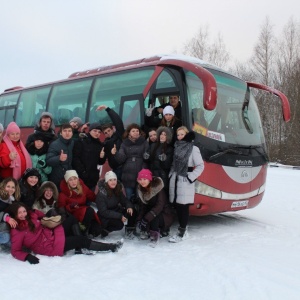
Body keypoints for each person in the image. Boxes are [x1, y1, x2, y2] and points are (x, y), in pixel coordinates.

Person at [8, 202, 124, 264]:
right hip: (49, 246)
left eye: (24, 211)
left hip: (50, 234)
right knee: (80, 240)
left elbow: (39, 214)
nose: (23, 214)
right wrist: (27, 257)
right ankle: (111, 247)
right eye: (20, 213)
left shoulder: (30, 216)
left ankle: (80, 247)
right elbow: (15, 251)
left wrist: (40, 215)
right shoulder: (17, 230)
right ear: (15, 215)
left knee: (71, 220)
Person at [168, 126, 204, 243]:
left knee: (184, 207)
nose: (179, 137)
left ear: (186, 134)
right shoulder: (176, 147)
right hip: (176, 179)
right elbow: (174, 164)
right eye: (178, 135)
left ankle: (182, 231)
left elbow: (200, 166)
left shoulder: (193, 149)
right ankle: (182, 228)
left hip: (185, 180)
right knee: (178, 206)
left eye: (182, 134)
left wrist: (190, 177)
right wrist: (171, 174)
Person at [135, 169, 173, 247]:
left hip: (164, 215)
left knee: (153, 216)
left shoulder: (158, 189)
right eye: (140, 179)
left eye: (145, 179)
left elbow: (159, 206)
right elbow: (143, 207)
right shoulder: (142, 190)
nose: (142, 181)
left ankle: (155, 237)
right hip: (152, 213)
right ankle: (146, 231)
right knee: (147, 214)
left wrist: (146, 219)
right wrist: (139, 220)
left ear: (149, 179)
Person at [58, 170, 102, 237]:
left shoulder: (82, 187)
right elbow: (61, 210)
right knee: (89, 210)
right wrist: (70, 206)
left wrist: (103, 198)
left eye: (75, 179)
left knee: (97, 229)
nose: (73, 182)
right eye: (70, 180)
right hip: (73, 217)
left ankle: (87, 231)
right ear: (67, 182)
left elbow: (92, 196)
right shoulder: (63, 194)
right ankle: (82, 232)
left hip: (84, 214)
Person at [96, 171, 136, 238]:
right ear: (106, 182)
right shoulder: (101, 194)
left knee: (132, 211)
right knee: (119, 224)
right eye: (110, 180)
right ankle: (106, 230)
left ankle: (129, 230)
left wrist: (129, 207)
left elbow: (124, 201)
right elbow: (104, 212)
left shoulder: (117, 189)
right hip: (105, 216)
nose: (113, 182)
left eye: (115, 180)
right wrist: (120, 216)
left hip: (116, 211)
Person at [113, 123, 148, 200]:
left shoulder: (144, 142)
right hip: (127, 176)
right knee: (129, 197)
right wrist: (115, 153)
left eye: (137, 131)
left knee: (141, 198)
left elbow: (147, 158)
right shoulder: (124, 144)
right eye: (133, 131)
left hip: (141, 175)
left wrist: (143, 170)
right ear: (129, 133)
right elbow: (121, 159)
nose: (136, 132)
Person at [72, 122, 106, 191]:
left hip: (92, 179)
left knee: (90, 198)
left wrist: (102, 157)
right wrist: (83, 172)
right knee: (79, 198)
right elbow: (75, 158)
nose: (97, 133)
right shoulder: (81, 141)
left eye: (99, 132)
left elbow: (100, 162)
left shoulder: (100, 145)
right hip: (80, 177)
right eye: (95, 131)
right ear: (90, 131)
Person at [96, 105, 125, 181]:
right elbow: (101, 161)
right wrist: (101, 156)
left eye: (109, 131)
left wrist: (107, 109)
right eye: (105, 133)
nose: (108, 133)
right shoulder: (105, 143)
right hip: (115, 170)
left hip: (123, 168)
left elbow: (118, 121)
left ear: (113, 129)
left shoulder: (119, 136)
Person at [143, 126, 174, 194]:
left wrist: (164, 159)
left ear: (168, 137)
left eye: (165, 135)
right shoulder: (153, 145)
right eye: (161, 134)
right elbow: (147, 160)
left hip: (162, 176)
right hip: (153, 174)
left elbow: (167, 165)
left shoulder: (169, 148)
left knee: (162, 195)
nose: (162, 136)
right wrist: (146, 157)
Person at [46, 123, 74, 189]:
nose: (67, 133)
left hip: (68, 177)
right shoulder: (55, 144)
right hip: (57, 178)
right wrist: (59, 158)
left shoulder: (72, 143)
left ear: (72, 133)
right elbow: (48, 160)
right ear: (61, 133)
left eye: (69, 131)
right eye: (65, 131)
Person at [0, 178, 20, 249]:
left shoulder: (12, 200)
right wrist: (6, 218)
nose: (10, 189)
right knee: (6, 237)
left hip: (4, 227)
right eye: (8, 186)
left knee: (14, 243)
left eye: (13, 187)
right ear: (3, 186)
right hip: (3, 228)